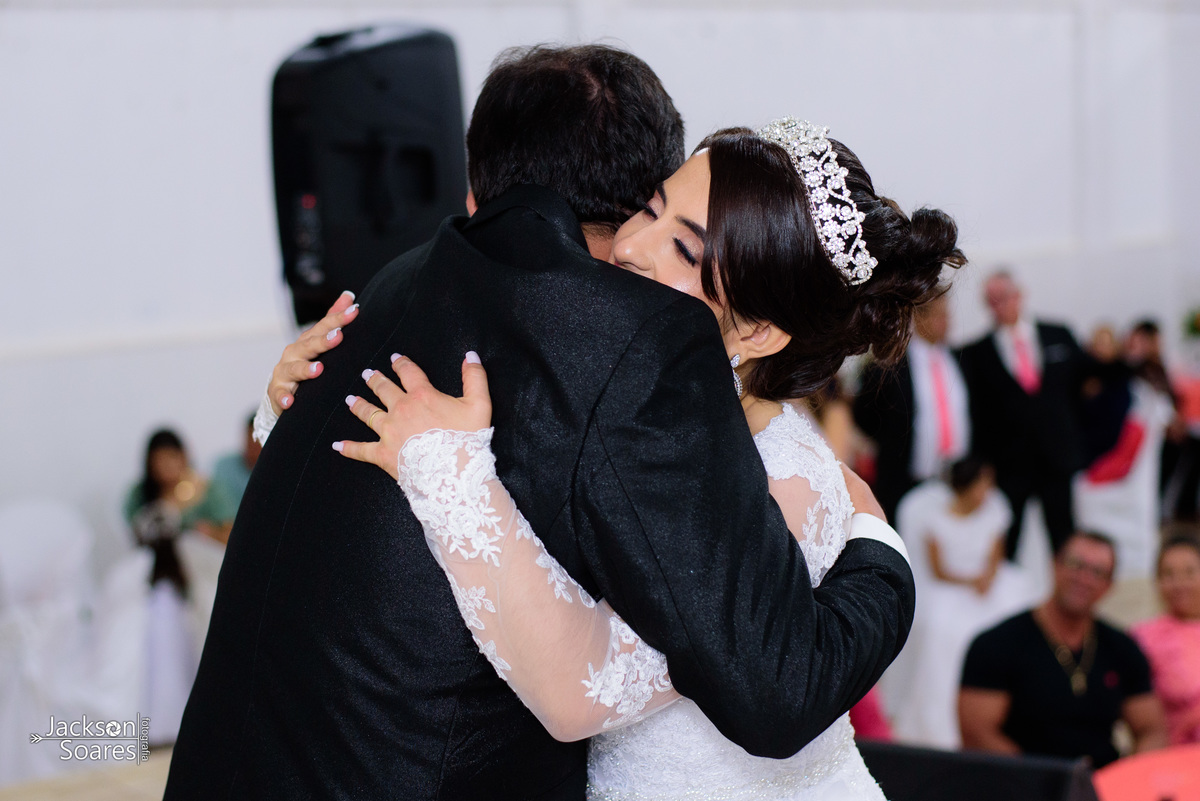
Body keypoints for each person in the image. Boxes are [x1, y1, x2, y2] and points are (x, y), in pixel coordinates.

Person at [166, 48, 917, 801]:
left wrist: (881, 548)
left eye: (684, 246)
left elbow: (701, 684)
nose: (634, 247)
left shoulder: (411, 281)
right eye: (648, 209)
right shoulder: (611, 356)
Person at [959, 531, 1168, 767]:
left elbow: (1152, 730)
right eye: (1076, 565)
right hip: (1022, 780)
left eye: (1098, 572)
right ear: (1054, 565)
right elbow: (976, 733)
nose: (1084, 578)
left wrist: (1126, 777)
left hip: (1100, 781)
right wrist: (1041, 780)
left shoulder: (1122, 648)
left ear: (1109, 586)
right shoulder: (997, 643)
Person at [887, 456, 1028, 748]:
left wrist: (987, 579)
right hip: (950, 589)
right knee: (943, 633)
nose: (988, 491)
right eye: (982, 485)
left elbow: (996, 554)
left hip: (990, 586)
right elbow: (938, 571)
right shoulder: (934, 520)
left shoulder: (995, 511)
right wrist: (969, 583)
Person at [959, 270, 1090, 560]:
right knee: (1008, 537)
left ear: (1019, 295)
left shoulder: (1058, 334)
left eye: (1005, 297)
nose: (1000, 306)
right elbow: (977, 414)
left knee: (1063, 535)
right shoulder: (976, 352)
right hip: (1009, 463)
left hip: (1057, 456)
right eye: (992, 301)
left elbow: (1082, 386)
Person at [855, 292, 970, 521]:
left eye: (947, 315)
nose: (946, 322)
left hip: (957, 481)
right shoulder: (890, 366)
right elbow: (864, 415)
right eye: (939, 316)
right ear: (919, 319)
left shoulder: (960, 359)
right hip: (906, 480)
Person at [1131, 534, 1200, 745]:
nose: (1179, 583)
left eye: (1189, 572)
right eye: (1169, 574)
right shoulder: (1142, 638)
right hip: (1174, 754)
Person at [191, 412, 262, 545]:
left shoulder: (279, 471)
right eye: (251, 438)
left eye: (259, 439)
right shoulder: (223, 466)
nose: (254, 444)